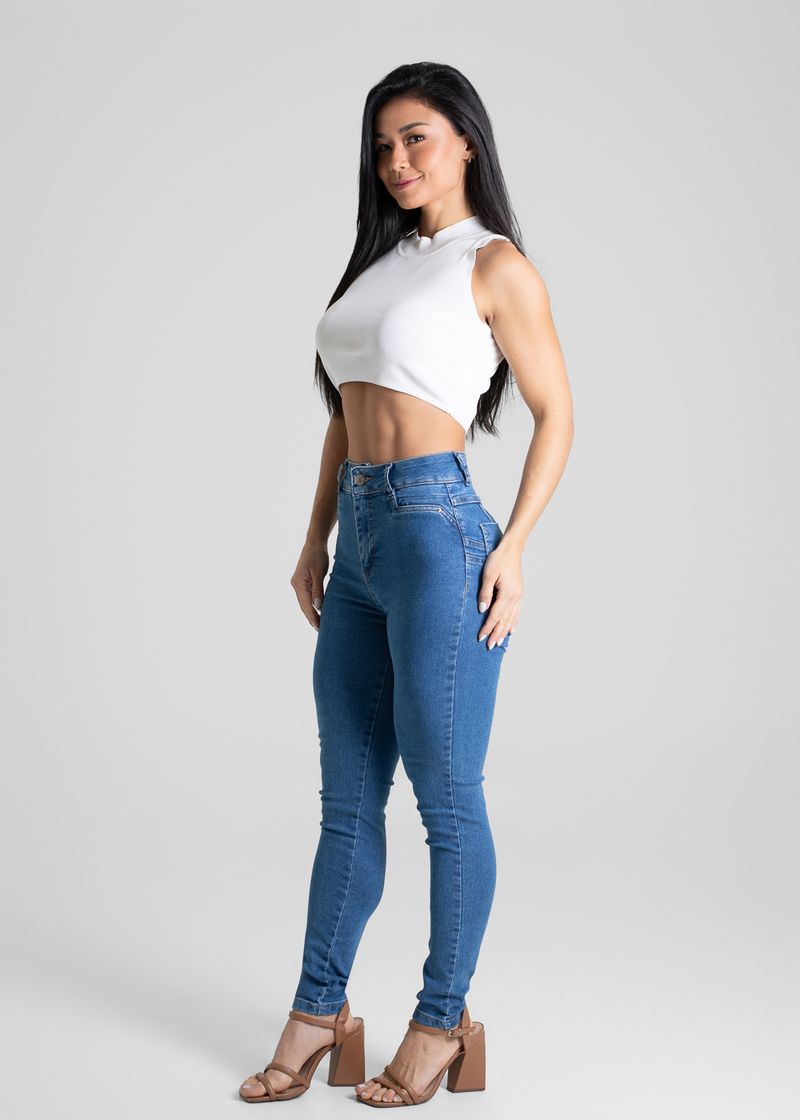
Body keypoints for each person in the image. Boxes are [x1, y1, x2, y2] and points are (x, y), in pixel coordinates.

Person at [239, 61, 573, 1107]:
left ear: (465, 140)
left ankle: (442, 1021)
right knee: (345, 799)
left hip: (440, 535)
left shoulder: (495, 264)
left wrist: (512, 547)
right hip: (361, 546)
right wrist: (314, 538)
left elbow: (557, 413)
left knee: (445, 797)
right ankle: (319, 1011)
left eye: (415, 137)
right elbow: (346, 414)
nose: (395, 161)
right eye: (382, 145)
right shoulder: (379, 266)